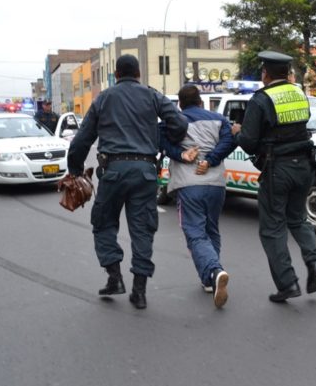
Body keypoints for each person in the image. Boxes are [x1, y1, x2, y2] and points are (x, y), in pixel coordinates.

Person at [67, 54, 188, 309]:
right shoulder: (152, 95)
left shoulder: (104, 98)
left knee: (103, 224)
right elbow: (179, 123)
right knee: (142, 230)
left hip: (113, 171)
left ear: (117, 75)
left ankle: (114, 277)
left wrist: (75, 170)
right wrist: (163, 138)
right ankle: (140, 292)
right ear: (138, 74)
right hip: (145, 172)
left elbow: (82, 139)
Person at [231, 50, 316, 303]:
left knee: (272, 228)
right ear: (287, 73)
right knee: (298, 218)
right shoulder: (299, 94)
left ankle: (288, 283)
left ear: (265, 74)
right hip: (304, 165)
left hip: (278, 169)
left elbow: (249, 143)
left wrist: (238, 131)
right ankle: (314, 261)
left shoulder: (261, 99)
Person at [160, 85, 236, 308]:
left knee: (195, 232)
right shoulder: (219, 119)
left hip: (189, 184)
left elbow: (160, 141)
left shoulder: (175, 121)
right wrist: (210, 160)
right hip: (216, 185)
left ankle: (215, 270)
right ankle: (210, 281)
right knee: (211, 229)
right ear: (201, 101)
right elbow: (228, 141)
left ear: (180, 104)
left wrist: (182, 155)